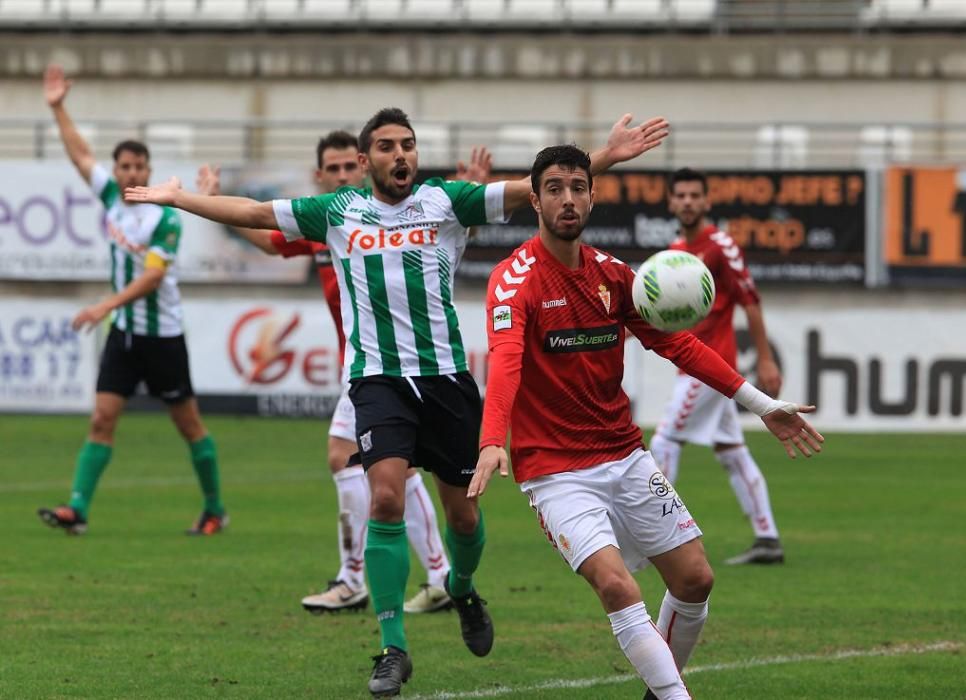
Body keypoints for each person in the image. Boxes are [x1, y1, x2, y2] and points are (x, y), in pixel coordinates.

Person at [124, 107, 670, 698]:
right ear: (366, 162)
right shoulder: (337, 211)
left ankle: (461, 588)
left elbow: (538, 187)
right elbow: (254, 213)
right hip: (377, 381)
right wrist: (176, 199)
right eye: (386, 146)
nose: (400, 154)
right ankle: (392, 649)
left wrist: (606, 157)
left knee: (464, 516)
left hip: (445, 381)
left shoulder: (445, 202)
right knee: (384, 496)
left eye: (407, 144)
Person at [468, 145, 823, 700]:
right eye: (555, 188)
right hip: (557, 472)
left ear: (593, 195)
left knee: (695, 579)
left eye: (578, 186)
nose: (568, 198)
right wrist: (493, 441)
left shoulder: (614, 276)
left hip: (626, 456)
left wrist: (760, 403)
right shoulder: (514, 281)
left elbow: (679, 344)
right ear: (534, 199)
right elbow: (506, 362)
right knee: (616, 585)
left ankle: (658, 693)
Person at [195, 133, 492, 615]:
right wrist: (210, 202)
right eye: (329, 170)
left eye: (344, 168)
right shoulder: (327, 223)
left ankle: (380, 577)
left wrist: (472, 212)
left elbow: (446, 239)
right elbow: (267, 239)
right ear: (320, 177)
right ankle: (421, 575)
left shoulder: (378, 215)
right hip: (366, 370)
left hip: (391, 370)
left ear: (362, 168)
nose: (339, 176)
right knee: (374, 468)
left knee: (356, 461)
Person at [36, 65, 227, 536]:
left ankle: (214, 510)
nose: (130, 173)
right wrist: (59, 107)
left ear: (148, 171)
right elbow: (80, 154)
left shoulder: (165, 217)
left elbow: (152, 279)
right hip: (124, 336)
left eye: (139, 167)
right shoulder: (111, 199)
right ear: (118, 170)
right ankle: (76, 510)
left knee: (189, 427)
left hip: (162, 337)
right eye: (124, 167)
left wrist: (105, 305)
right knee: (102, 418)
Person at [649, 167, 787, 565]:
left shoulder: (721, 245)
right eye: (682, 196)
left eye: (696, 195)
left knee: (664, 443)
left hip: (710, 367)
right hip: (691, 364)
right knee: (732, 451)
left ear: (707, 202)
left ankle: (654, 535)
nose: (689, 202)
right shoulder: (674, 253)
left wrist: (764, 357)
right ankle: (768, 538)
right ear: (671, 202)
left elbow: (750, 300)